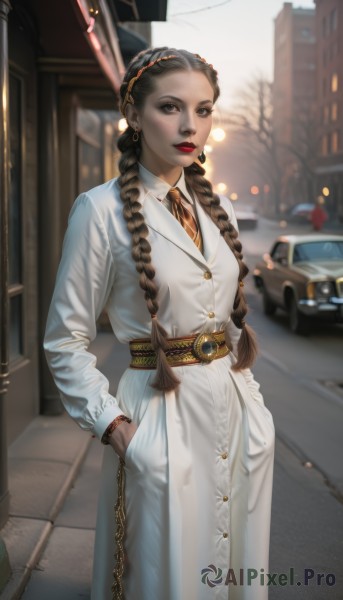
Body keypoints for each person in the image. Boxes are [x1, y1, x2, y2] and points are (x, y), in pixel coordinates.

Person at [44, 47, 275, 600]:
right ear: (134, 111)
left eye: (204, 109)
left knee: (234, 574)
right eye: (171, 107)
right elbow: (64, 341)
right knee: (161, 578)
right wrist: (118, 428)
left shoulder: (209, 208)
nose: (190, 125)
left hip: (233, 413)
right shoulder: (98, 211)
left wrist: (255, 403)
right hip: (158, 416)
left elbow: (227, 323)